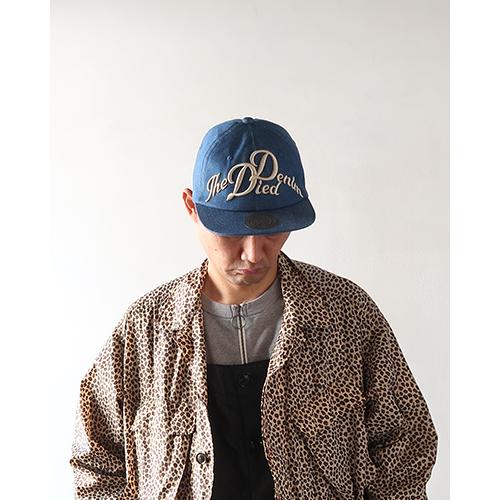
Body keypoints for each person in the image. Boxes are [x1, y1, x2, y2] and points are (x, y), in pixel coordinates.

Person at [69, 117, 438, 499]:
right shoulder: (144, 331)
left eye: (271, 229)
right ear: (192, 207)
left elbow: (406, 449)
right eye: (233, 230)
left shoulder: (346, 315)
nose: (253, 253)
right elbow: (96, 462)